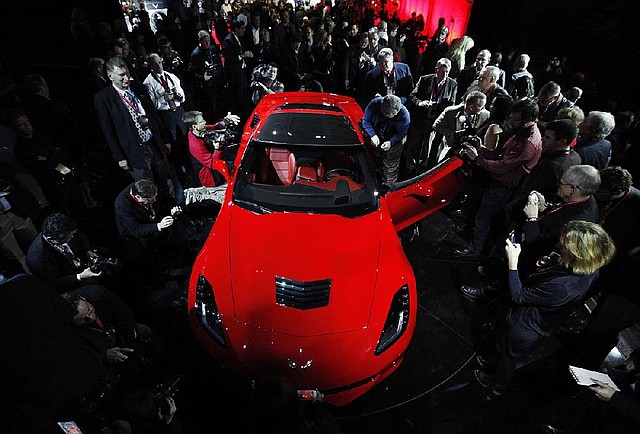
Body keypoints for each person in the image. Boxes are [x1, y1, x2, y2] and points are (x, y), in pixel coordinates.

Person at [473, 220, 616, 397]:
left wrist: (512, 262)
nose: (557, 245)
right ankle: (494, 364)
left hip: (525, 328)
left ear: (577, 254)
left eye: (563, 246)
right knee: (504, 351)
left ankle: (497, 384)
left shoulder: (564, 287)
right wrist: (553, 263)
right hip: (534, 321)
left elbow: (518, 296)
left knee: (508, 359)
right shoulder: (590, 269)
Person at [455, 97, 542, 258]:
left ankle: (475, 251)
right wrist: (481, 150)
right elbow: (500, 154)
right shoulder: (521, 133)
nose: (511, 121)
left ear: (528, 120)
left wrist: (477, 158)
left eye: (515, 119)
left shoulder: (527, 143)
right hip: (498, 183)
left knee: (484, 218)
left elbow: (502, 166)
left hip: (504, 187)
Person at [95, 56, 181, 202]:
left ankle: (173, 208)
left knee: (165, 181)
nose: (127, 78)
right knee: (147, 187)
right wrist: (119, 157)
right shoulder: (104, 98)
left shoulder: (138, 87)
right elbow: (108, 131)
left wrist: (165, 139)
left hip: (153, 143)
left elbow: (153, 115)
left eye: (127, 73)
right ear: (110, 76)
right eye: (121, 76)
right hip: (134, 151)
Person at [504, 119, 582, 229]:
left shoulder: (553, 166)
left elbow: (533, 191)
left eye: (548, 137)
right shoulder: (575, 157)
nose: (542, 139)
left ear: (562, 141)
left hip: (525, 213)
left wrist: (510, 207)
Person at [143, 52, 192, 187]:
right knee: (174, 145)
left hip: (178, 112)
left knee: (186, 140)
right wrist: (163, 99)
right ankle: (181, 175)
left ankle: (191, 169)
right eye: (155, 63)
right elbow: (152, 105)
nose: (159, 65)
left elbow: (181, 93)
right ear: (150, 65)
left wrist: (179, 97)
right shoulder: (148, 82)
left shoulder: (170, 76)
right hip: (165, 115)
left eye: (159, 62)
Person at [404, 57, 458, 173]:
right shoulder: (424, 80)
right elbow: (412, 96)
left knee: (427, 147)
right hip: (420, 118)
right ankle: (409, 168)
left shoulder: (452, 84)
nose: (445, 75)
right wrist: (420, 103)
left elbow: (451, 103)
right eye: (442, 72)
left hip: (434, 120)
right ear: (436, 70)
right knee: (413, 144)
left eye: (447, 72)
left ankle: (422, 169)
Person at [26, 212, 102, 293]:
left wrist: (87, 250)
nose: (72, 237)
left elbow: (81, 238)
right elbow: (53, 282)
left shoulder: (67, 228)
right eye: (68, 237)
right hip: (71, 286)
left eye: (73, 234)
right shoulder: (37, 258)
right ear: (51, 239)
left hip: (83, 264)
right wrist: (79, 277)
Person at [432, 90, 491, 167]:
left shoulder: (485, 115)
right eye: (481, 106)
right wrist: (452, 133)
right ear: (471, 107)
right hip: (450, 148)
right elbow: (436, 126)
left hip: (469, 154)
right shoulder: (451, 111)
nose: (483, 108)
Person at [361, 94, 410, 187]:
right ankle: (376, 177)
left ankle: (389, 185)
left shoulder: (404, 115)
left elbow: (401, 133)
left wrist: (391, 142)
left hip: (394, 139)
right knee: (375, 157)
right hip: (377, 135)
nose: (387, 117)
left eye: (390, 116)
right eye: (385, 114)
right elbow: (366, 121)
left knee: (390, 163)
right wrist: (373, 135)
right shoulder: (374, 104)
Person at [183, 110, 240, 188]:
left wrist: (224, 121)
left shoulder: (198, 130)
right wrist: (218, 149)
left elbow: (214, 126)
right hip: (211, 177)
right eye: (201, 122)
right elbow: (212, 163)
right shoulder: (195, 145)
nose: (205, 122)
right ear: (194, 126)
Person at [187, 29, 226, 122]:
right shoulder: (196, 54)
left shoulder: (212, 49)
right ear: (200, 41)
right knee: (212, 107)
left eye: (208, 41)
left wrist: (224, 78)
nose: (207, 43)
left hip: (218, 82)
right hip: (208, 86)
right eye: (205, 41)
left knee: (221, 103)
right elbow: (191, 72)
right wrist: (202, 78)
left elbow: (219, 64)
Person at [222, 19, 253, 120]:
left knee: (244, 93)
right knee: (238, 96)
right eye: (242, 28)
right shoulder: (228, 40)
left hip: (241, 71)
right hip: (234, 74)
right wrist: (243, 55)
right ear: (236, 29)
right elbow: (229, 58)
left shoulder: (239, 39)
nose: (244, 30)